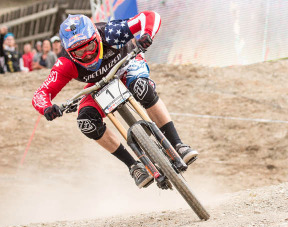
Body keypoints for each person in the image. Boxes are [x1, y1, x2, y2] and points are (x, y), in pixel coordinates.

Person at [33, 12, 199, 188]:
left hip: (127, 66)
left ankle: (177, 144)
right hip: (98, 85)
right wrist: (47, 108)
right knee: (85, 122)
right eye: (78, 51)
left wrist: (147, 34)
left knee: (142, 89)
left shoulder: (111, 32)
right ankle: (133, 165)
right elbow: (40, 94)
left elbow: (149, 17)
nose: (87, 54)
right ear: (69, 51)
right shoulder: (66, 63)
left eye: (89, 46)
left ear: (96, 37)